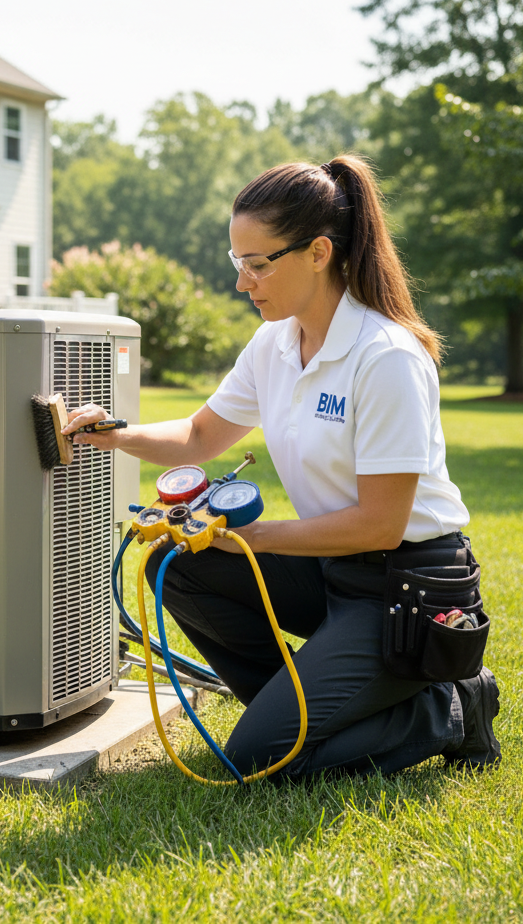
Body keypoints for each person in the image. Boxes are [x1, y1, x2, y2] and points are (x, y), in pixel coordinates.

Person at [64, 154, 501, 779]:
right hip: (335, 575)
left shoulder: (385, 358)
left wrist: (246, 535)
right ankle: (301, 708)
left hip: (407, 589)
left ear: (319, 252)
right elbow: (199, 434)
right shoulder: (275, 342)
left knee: (257, 761)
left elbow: (380, 525)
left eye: (258, 263)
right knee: (174, 565)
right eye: (237, 261)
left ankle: (451, 706)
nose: (244, 282)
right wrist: (114, 434)